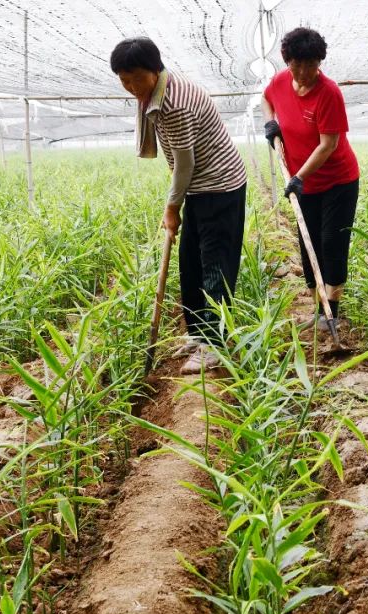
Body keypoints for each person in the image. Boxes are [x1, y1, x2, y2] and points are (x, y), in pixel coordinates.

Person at [110, 37, 248, 374]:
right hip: (199, 188)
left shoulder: (174, 105)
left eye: (137, 78)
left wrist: (172, 207)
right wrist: (179, 201)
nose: (131, 87)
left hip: (220, 186)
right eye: (124, 80)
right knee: (190, 263)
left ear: (155, 71)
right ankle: (200, 332)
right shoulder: (154, 97)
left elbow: (184, 164)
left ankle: (214, 345)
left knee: (215, 266)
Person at [261, 27, 359, 333]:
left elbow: (327, 145)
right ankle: (319, 306)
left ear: (320, 62)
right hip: (303, 182)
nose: (304, 72)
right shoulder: (279, 81)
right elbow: (267, 99)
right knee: (309, 244)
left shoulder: (329, 92)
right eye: (297, 64)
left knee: (332, 242)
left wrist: (299, 175)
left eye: (311, 65)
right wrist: (270, 122)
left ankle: (332, 313)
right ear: (286, 61)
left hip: (337, 180)